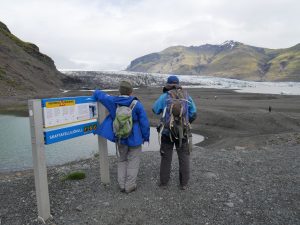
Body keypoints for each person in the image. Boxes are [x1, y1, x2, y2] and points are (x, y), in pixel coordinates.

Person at [93, 80, 150, 193]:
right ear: (131, 91)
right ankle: (130, 185)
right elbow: (144, 122)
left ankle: (122, 185)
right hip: (135, 138)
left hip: (120, 137)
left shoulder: (113, 101)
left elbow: (100, 95)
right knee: (133, 161)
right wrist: (145, 137)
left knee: (122, 160)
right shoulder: (137, 104)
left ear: (120, 91)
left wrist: (96, 92)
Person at [152, 75, 197, 190]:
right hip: (183, 132)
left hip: (167, 132)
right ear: (178, 84)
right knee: (184, 157)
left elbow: (155, 109)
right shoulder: (186, 96)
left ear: (168, 84)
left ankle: (164, 183)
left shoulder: (164, 97)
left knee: (166, 157)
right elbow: (194, 113)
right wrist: (186, 122)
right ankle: (184, 184)